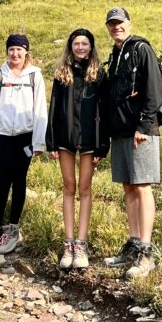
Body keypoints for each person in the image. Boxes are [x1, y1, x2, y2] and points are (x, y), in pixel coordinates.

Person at [102, 6, 162, 279]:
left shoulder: (141, 49)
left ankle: (146, 253)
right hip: (121, 131)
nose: (117, 27)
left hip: (141, 131)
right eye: (112, 24)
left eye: (120, 22)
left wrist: (144, 125)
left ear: (130, 23)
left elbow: (153, 90)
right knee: (128, 187)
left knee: (142, 187)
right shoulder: (115, 54)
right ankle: (133, 242)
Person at [46, 28, 108, 270]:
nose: (80, 47)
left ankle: (81, 244)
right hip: (65, 138)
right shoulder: (62, 73)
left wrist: (104, 144)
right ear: (70, 47)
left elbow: (104, 110)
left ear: (91, 47)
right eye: (76, 44)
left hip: (90, 139)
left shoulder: (99, 74)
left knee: (85, 188)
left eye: (85, 44)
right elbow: (53, 109)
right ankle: (68, 243)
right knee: (69, 187)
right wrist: (51, 141)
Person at [0, 34, 47, 254]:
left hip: (25, 137)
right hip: (2, 136)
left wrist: (39, 142)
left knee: (19, 180)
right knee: (2, 181)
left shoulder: (35, 76)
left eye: (19, 50)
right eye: (11, 50)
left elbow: (40, 110)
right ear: (7, 51)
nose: (15, 54)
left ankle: (13, 228)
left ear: (26, 51)